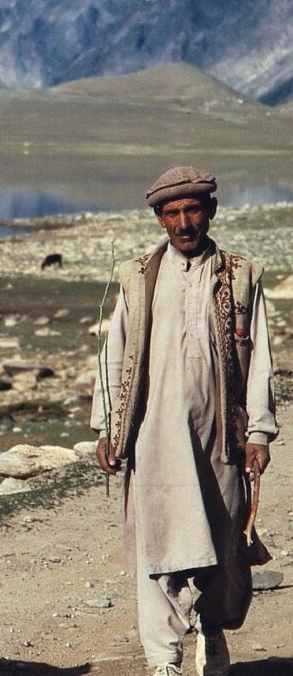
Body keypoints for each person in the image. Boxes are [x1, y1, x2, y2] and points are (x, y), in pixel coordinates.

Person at [91, 166, 277, 676]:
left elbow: (260, 357)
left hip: (222, 438)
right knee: (160, 548)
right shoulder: (137, 276)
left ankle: (212, 633)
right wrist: (107, 428)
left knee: (221, 544)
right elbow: (114, 357)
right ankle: (163, 659)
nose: (183, 222)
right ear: (158, 219)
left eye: (192, 209)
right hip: (156, 436)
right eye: (171, 213)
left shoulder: (240, 274)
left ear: (211, 211)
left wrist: (258, 431)